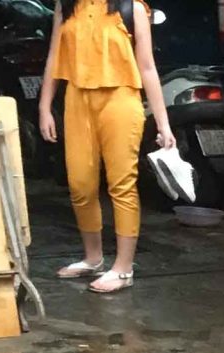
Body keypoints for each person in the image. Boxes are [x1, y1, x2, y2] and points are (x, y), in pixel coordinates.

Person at [38, 0, 175, 294]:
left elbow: (147, 66)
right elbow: (54, 56)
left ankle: (124, 269)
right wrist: (44, 106)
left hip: (120, 99)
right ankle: (93, 258)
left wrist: (164, 124)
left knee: (121, 184)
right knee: (80, 184)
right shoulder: (67, 7)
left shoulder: (132, 8)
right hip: (77, 100)